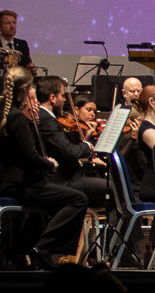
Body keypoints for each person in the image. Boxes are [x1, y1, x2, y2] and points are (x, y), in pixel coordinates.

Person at [0, 71, 87, 269]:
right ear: (25, 90)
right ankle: (44, 248)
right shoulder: (17, 118)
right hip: (20, 185)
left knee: (55, 197)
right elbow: (30, 156)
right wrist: (50, 164)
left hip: (5, 181)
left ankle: (24, 252)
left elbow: (18, 151)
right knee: (78, 199)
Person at [34, 75, 107, 205]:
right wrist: (87, 145)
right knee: (113, 187)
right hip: (63, 179)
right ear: (52, 98)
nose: (64, 100)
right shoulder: (47, 120)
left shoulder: (46, 118)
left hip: (67, 175)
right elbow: (69, 151)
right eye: (62, 96)